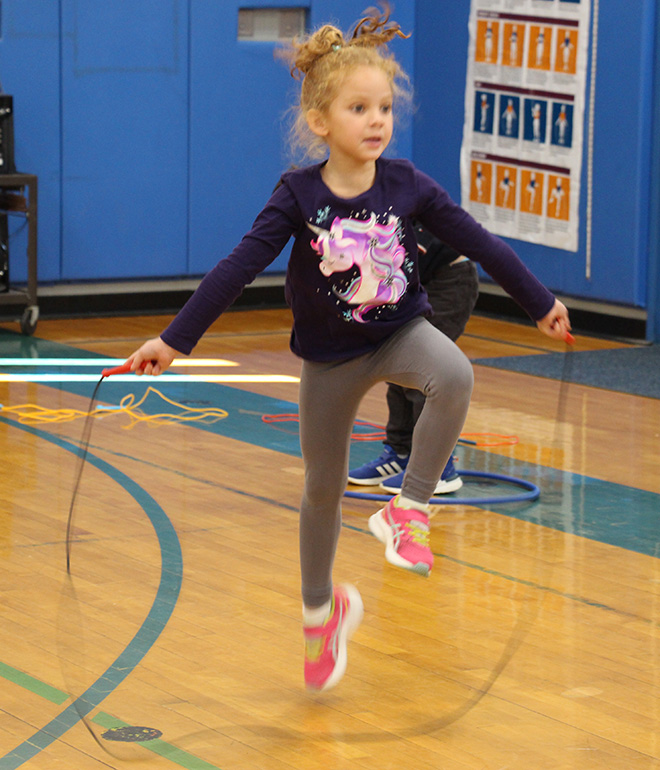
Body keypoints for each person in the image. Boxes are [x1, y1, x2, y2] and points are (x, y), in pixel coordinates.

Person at [125, 6, 571, 693]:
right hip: (329, 359)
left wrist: (538, 299)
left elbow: (480, 241)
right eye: (359, 107)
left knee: (453, 374)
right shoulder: (299, 195)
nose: (376, 120)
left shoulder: (407, 184)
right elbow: (239, 264)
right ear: (320, 122)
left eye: (385, 108)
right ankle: (319, 618)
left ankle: (408, 508)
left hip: (400, 333)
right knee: (320, 492)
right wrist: (174, 339)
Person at [347, 223, 479, 495]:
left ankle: (438, 467)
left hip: (449, 281)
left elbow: (391, 266)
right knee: (399, 367)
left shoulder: (383, 205)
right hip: (414, 283)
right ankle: (400, 453)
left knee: (426, 370)